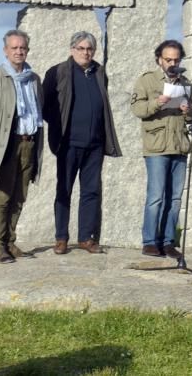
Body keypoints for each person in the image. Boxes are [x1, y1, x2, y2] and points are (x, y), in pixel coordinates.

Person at [43, 31, 122, 255]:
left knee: (91, 191)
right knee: (64, 190)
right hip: (68, 143)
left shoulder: (99, 72)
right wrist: (61, 127)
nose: (86, 53)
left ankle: (86, 238)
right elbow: (46, 106)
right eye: (81, 48)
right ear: (72, 49)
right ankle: (61, 238)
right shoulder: (57, 72)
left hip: (95, 144)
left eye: (89, 49)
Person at [0, 29, 44, 264]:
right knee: (3, 196)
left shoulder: (34, 79)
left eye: (22, 47)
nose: (18, 51)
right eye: (14, 48)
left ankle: (10, 241)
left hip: (29, 143)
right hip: (7, 145)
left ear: (27, 50)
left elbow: (37, 111)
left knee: (20, 196)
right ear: (5, 51)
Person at [131, 40, 192, 258]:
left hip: (179, 144)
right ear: (159, 59)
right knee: (156, 196)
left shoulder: (186, 83)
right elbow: (137, 108)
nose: (172, 63)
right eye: (168, 59)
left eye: (176, 59)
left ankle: (169, 241)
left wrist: (188, 110)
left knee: (176, 197)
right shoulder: (147, 80)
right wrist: (158, 102)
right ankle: (150, 241)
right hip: (157, 146)